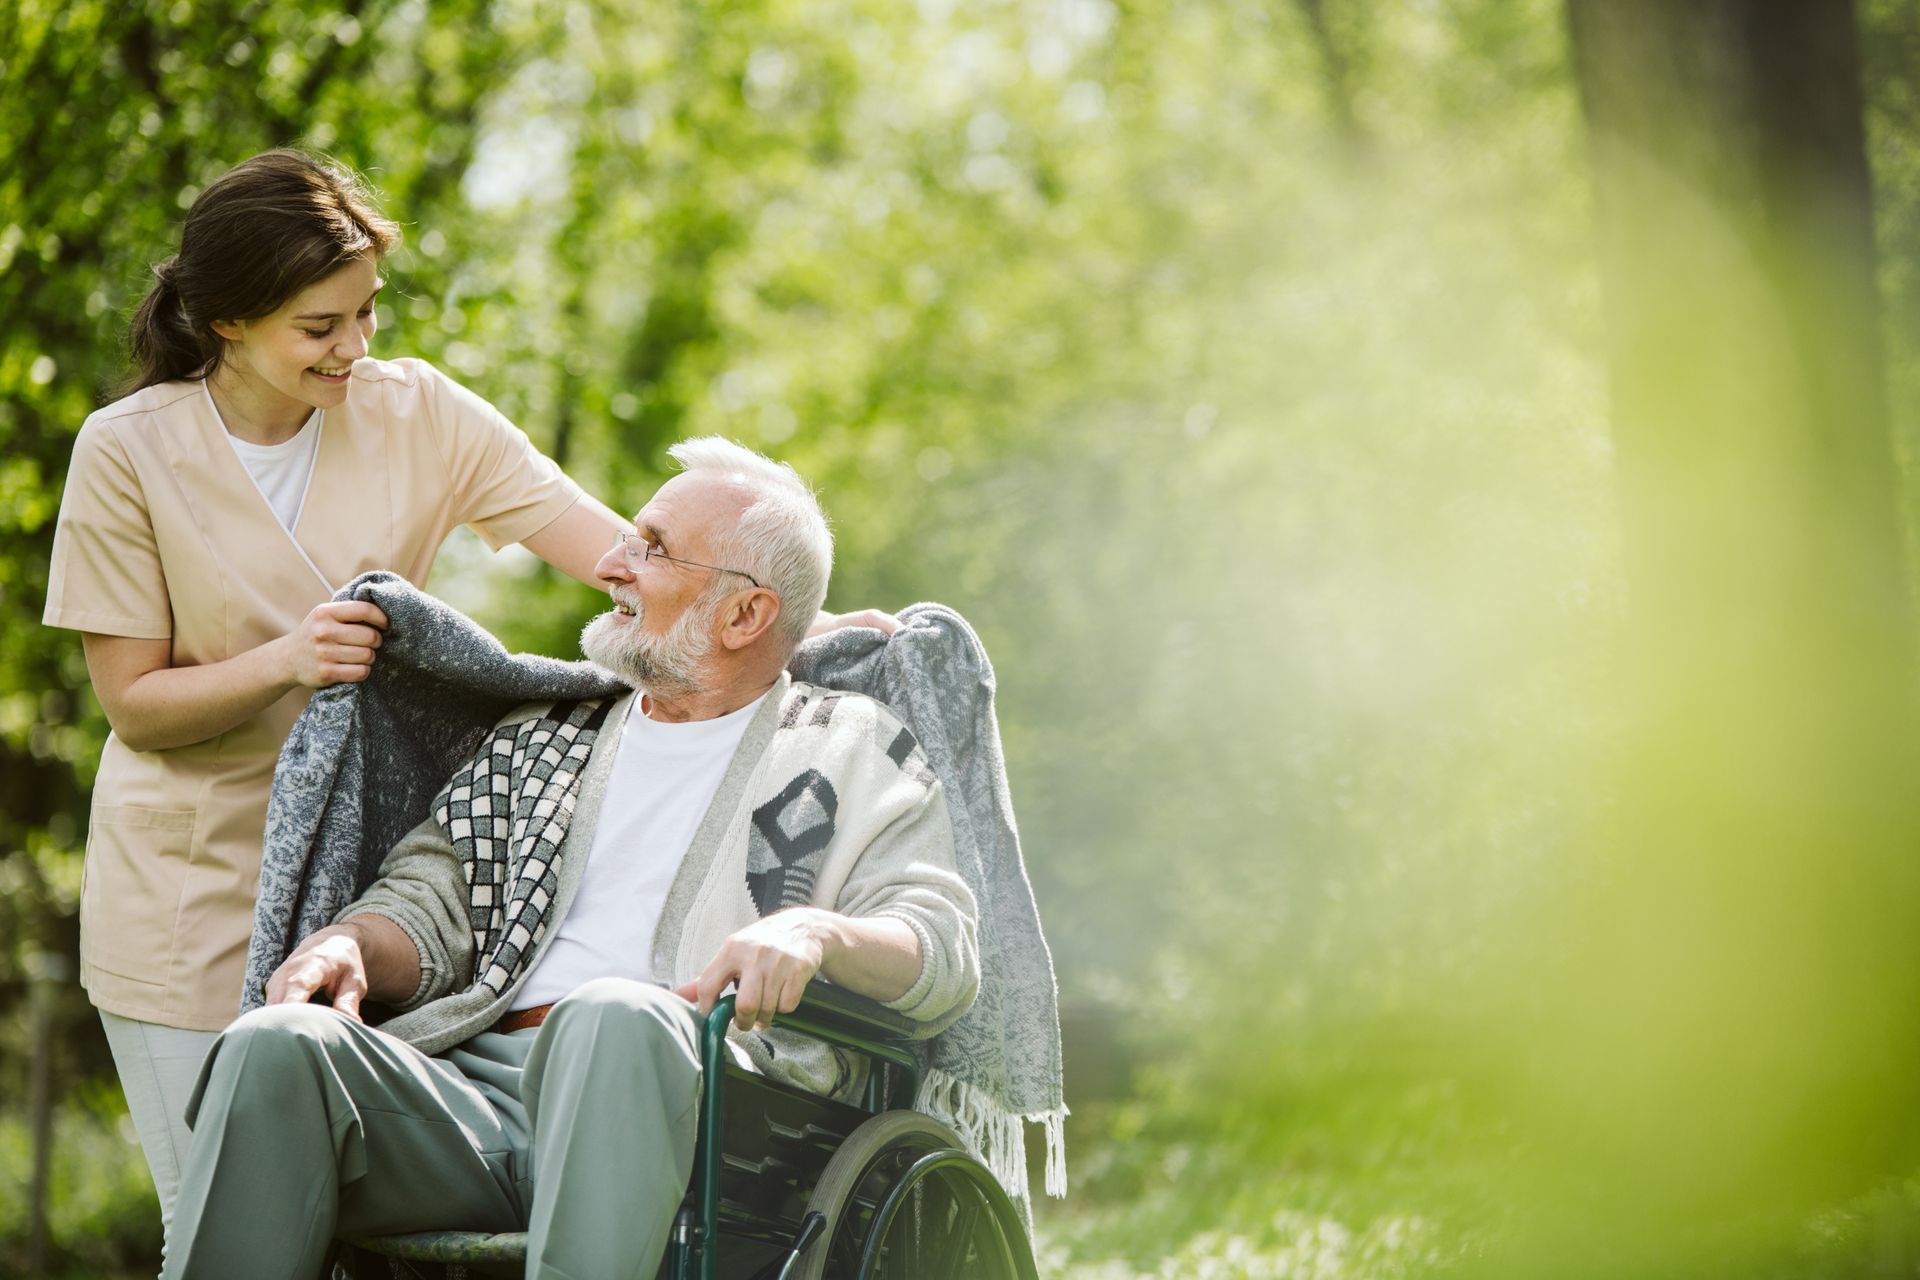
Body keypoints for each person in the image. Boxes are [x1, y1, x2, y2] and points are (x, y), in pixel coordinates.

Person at [39, 149, 890, 1244]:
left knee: (340, 1226)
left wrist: (800, 617)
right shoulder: (126, 452)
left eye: (366, 315)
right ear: (228, 322)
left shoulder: (418, 414)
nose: (355, 348)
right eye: (319, 327)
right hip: (189, 885)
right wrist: (290, 659)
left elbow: (620, 553)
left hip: (374, 876)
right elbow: (136, 704)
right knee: (212, 1218)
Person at [161, 438, 980, 1280]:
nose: (612, 564)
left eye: (651, 549)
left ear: (745, 616)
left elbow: (942, 946)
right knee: (279, 1043)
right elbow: (428, 899)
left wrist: (818, 933)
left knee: (615, 1014)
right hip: (478, 1100)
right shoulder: (545, 738)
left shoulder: (852, 748)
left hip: (715, 1109)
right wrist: (353, 943)